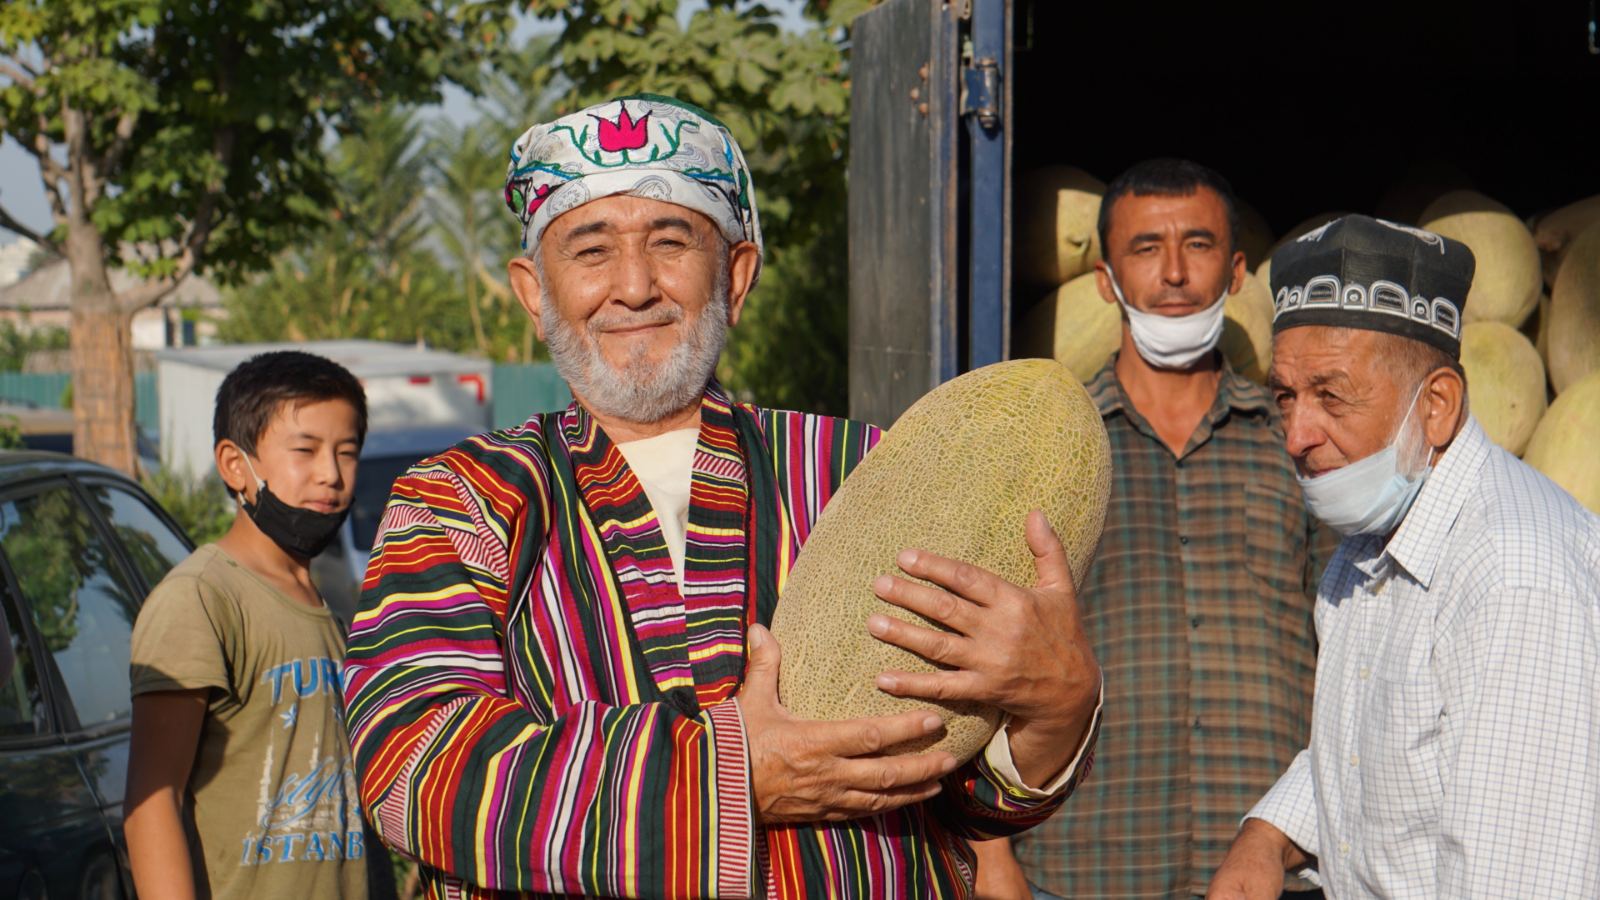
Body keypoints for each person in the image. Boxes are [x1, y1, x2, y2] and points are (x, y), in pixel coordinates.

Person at [340, 94, 1103, 899]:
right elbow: (411, 760)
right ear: (534, 293)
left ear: (735, 278)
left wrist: (1054, 711)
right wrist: (728, 778)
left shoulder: (864, 468)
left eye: (671, 242)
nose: (633, 287)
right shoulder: (464, 500)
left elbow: (961, 791)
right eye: (590, 251)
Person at [1207, 214, 1600, 899]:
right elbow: (1373, 750)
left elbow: (1516, 878)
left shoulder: (1515, 576)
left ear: (1437, 405)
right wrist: (1267, 835)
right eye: (1286, 397)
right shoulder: (1366, 546)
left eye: (1331, 395)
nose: (1296, 434)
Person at [974, 159, 1330, 900]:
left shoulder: (1297, 445)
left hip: (1272, 874)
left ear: (1236, 272)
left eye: (1197, 246)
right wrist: (990, 854)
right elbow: (976, 662)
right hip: (1081, 872)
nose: (1173, 274)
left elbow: (1355, 649)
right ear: (1105, 278)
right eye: (1145, 249)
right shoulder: (1047, 452)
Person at [125, 351, 371, 899]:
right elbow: (151, 805)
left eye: (346, 452)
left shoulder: (330, 610)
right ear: (236, 465)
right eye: (305, 450)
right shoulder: (203, 600)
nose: (330, 473)